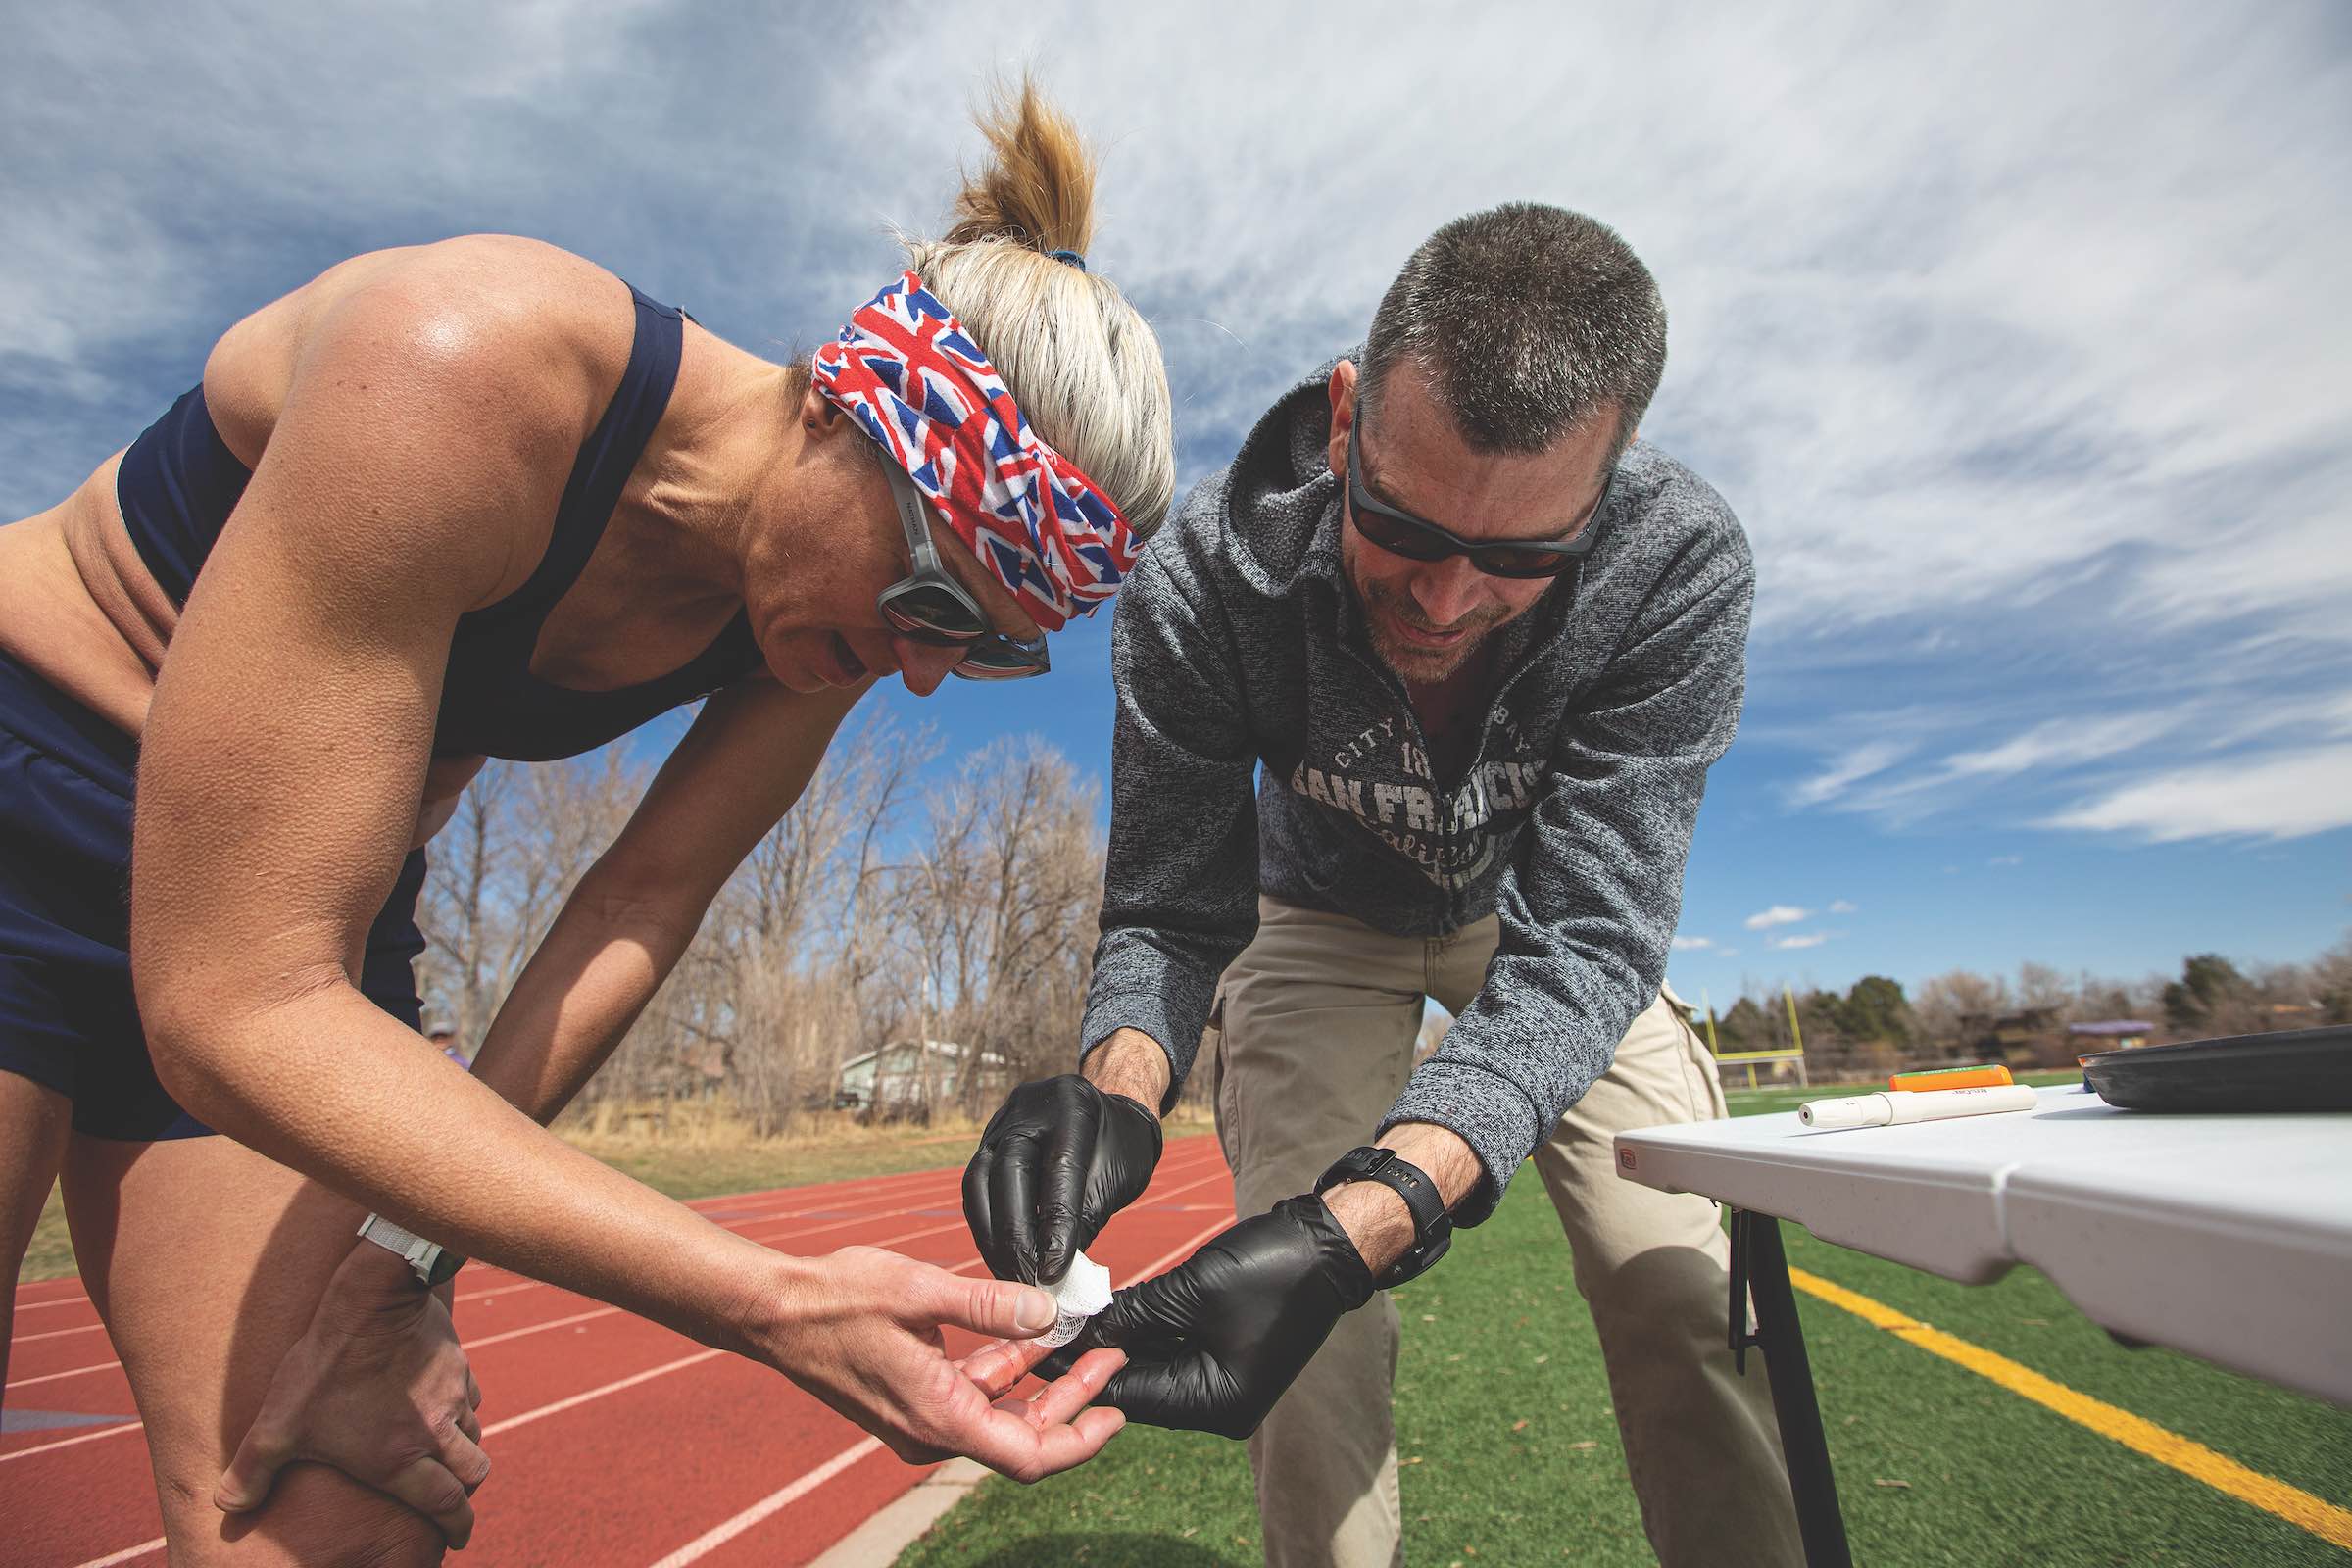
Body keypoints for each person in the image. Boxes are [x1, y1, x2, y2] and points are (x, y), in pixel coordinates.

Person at [0, 83, 1166, 1564]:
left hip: (311, 912)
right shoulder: (469, 362)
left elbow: (635, 907)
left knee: (337, 1504)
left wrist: (400, 1268)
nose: (924, 669)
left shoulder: (829, 620)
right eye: (936, 599)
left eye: (987, 645)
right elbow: (228, 998)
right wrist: (769, 1299)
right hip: (39, 782)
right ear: (840, 409)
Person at [965, 204, 1804, 1566]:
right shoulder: (1198, 583)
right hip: (1315, 929)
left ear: (1612, 480)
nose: (1450, 597)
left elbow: (1593, 938)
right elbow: (1176, 908)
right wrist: (1118, 1086)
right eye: (1405, 525)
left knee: (1676, 1286)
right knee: (1304, 1345)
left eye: (1526, 556)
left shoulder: (1679, 568)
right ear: (1348, 421)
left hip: (1538, 938)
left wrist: (1379, 1211)